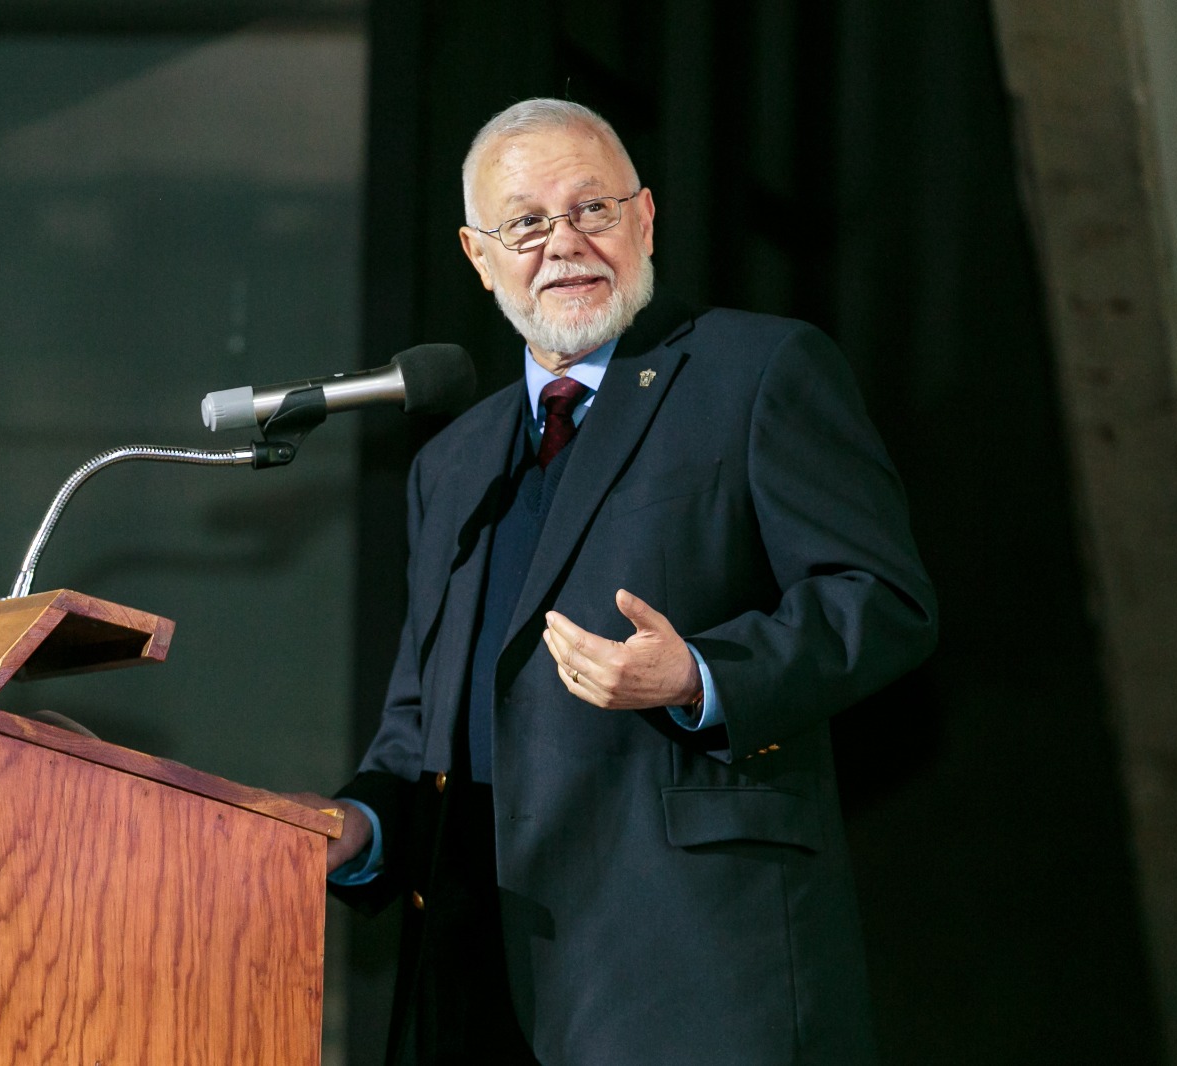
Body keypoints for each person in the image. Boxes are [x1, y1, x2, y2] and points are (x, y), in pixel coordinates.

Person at [291, 98, 937, 1065]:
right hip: (478, 977)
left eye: (592, 209)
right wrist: (360, 824)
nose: (565, 244)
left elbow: (880, 598)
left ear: (644, 218)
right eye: (526, 223)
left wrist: (700, 677)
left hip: (691, 971)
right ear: (479, 255)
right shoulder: (454, 461)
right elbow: (423, 717)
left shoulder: (754, 370)